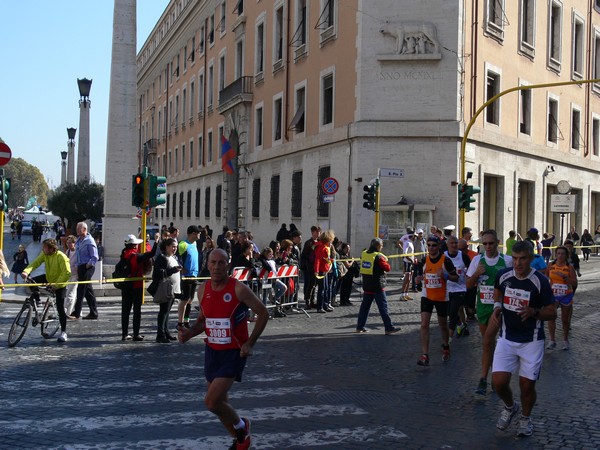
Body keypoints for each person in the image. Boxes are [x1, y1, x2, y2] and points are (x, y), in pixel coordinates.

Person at [178, 249, 268, 450]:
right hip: (212, 351)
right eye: (213, 262)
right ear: (207, 264)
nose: (217, 266)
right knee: (221, 406)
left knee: (211, 402)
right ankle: (239, 439)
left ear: (227, 265)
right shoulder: (203, 290)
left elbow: (263, 313)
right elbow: (203, 321)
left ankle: (242, 427)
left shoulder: (239, 289)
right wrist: (190, 333)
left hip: (234, 353)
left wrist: (250, 343)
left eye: (221, 263)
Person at [489, 240, 556, 437]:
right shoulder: (503, 275)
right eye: (515, 258)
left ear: (531, 258)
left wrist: (533, 311)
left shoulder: (540, 281)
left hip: (532, 340)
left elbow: (552, 313)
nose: (518, 263)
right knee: (498, 383)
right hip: (507, 337)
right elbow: (497, 291)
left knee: (526, 386)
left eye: (523, 259)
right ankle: (510, 407)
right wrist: (497, 307)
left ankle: (526, 419)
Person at [466, 229, 512, 395]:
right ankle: (492, 378)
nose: (488, 246)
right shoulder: (477, 260)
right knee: (488, 343)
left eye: (491, 243)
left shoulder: (507, 261)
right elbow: (468, 285)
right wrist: (477, 273)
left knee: (492, 342)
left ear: (497, 242)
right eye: (484, 243)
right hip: (484, 307)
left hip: (503, 308)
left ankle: (484, 379)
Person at [416, 235, 458, 365]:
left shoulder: (446, 260)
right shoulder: (424, 260)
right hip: (427, 296)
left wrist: (445, 275)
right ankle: (425, 355)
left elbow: (456, 277)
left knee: (442, 325)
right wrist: (419, 280)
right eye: (428, 245)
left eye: (433, 245)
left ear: (439, 246)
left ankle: (446, 345)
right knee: (424, 324)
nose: (431, 248)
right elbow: (420, 276)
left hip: (441, 297)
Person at [21, 239, 71, 342]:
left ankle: (64, 332)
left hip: (59, 284)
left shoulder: (61, 257)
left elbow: (67, 273)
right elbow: (36, 263)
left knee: (60, 309)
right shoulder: (45, 254)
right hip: (49, 278)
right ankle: (37, 300)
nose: (43, 249)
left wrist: (56, 285)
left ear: (52, 249)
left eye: (44, 247)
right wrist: (26, 271)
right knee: (32, 281)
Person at [355, 237, 400, 335]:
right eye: (382, 245)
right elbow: (387, 268)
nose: (382, 247)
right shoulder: (379, 257)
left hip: (367, 285)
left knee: (364, 307)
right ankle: (388, 328)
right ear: (378, 246)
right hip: (377, 286)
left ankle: (360, 326)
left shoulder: (364, 253)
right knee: (383, 308)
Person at [119, 234, 157, 341]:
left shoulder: (124, 254)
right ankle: (136, 334)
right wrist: (157, 241)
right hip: (136, 286)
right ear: (135, 245)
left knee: (125, 311)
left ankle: (124, 334)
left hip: (126, 285)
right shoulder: (136, 256)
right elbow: (152, 254)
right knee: (137, 310)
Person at [150, 238, 182, 343]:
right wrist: (172, 270)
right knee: (163, 311)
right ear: (167, 247)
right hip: (165, 289)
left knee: (167, 311)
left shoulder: (173, 257)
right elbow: (157, 273)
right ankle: (160, 334)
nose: (175, 249)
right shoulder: (162, 258)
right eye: (173, 246)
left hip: (173, 289)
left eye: (176, 247)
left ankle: (166, 332)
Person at [545, 246, 577, 350]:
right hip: (553, 295)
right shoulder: (551, 265)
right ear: (556, 254)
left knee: (564, 319)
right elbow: (546, 278)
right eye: (558, 253)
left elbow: (574, 282)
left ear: (566, 255)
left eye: (562, 254)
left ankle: (565, 340)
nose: (560, 256)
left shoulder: (569, 267)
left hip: (566, 295)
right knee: (551, 316)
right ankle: (552, 340)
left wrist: (566, 278)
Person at [70, 222, 99, 320]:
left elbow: (95, 256)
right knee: (88, 291)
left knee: (81, 290)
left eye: (79, 228)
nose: (77, 230)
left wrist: (87, 265)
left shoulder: (89, 241)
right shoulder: (79, 240)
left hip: (87, 267)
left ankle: (77, 313)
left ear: (84, 229)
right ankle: (94, 312)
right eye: (77, 228)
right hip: (81, 266)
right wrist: (78, 266)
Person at [444, 236, 472, 340]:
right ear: (447, 245)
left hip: (460, 288)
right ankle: (461, 325)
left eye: (456, 243)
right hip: (446, 289)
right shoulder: (443, 256)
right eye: (452, 243)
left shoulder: (463, 256)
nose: (454, 245)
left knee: (453, 313)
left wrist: (469, 279)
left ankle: (448, 340)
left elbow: (471, 269)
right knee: (451, 311)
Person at [176, 225, 201, 330]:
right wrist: (180, 269)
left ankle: (186, 321)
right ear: (193, 234)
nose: (200, 235)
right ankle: (180, 322)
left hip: (194, 275)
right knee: (184, 300)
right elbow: (175, 257)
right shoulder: (183, 244)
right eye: (198, 233)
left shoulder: (195, 243)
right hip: (186, 276)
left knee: (190, 300)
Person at [314, 230, 334, 313]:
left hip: (325, 269)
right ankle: (320, 306)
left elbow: (325, 259)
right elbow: (318, 259)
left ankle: (325, 305)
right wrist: (316, 270)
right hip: (321, 270)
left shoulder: (326, 247)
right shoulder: (321, 247)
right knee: (321, 289)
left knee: (325, 288)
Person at [300, 225, 320, 309]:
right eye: (317, 232)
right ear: (313, 232)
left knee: (315, 284)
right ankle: (307, 301)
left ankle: (312, 301)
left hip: (317, 266)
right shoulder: (309, 242)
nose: (318, 233)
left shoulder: (319, 242)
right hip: (310, 266)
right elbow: (304, 254)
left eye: (319, 232)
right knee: (310, 284)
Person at [63, 236, 79, 315]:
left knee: (70, 293)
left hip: (76, 275)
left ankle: (66, 311)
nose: (68, 244)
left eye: (70, 243)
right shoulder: (68, 252)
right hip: (69, 274)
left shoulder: (78, 252)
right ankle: (76, 311)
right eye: (67, 243)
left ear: (74, 243)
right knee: (73, 294)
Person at [401, 232, 416, 301]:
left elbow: (411, 253)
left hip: (411, 262)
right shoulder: (406, 243)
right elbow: (405, 254)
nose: (415, 238)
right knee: (406, 279)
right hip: (407, 262)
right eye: (414, 236)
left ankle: (406, 294)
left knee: (409, 279)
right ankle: (402, 294)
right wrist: (411, 260)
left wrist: (414, 258)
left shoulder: (411, 243)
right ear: (412, 236)